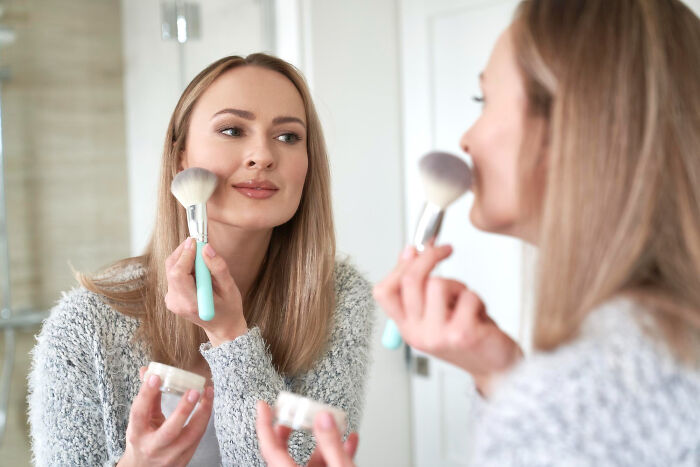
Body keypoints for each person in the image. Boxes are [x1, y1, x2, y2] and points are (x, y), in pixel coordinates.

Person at [257, 0, 700, 465]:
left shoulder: (591, 385)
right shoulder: (653, 346)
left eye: (484, 101)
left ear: (573, 124)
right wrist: (502, 377)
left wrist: (531, 400)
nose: (467, 138)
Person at [28, 53, 374, 466]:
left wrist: (230, 336)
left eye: (287, 137)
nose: (262, 155)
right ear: (181, 158)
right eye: (232, 130)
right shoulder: (85, 325)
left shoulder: (337, 298)